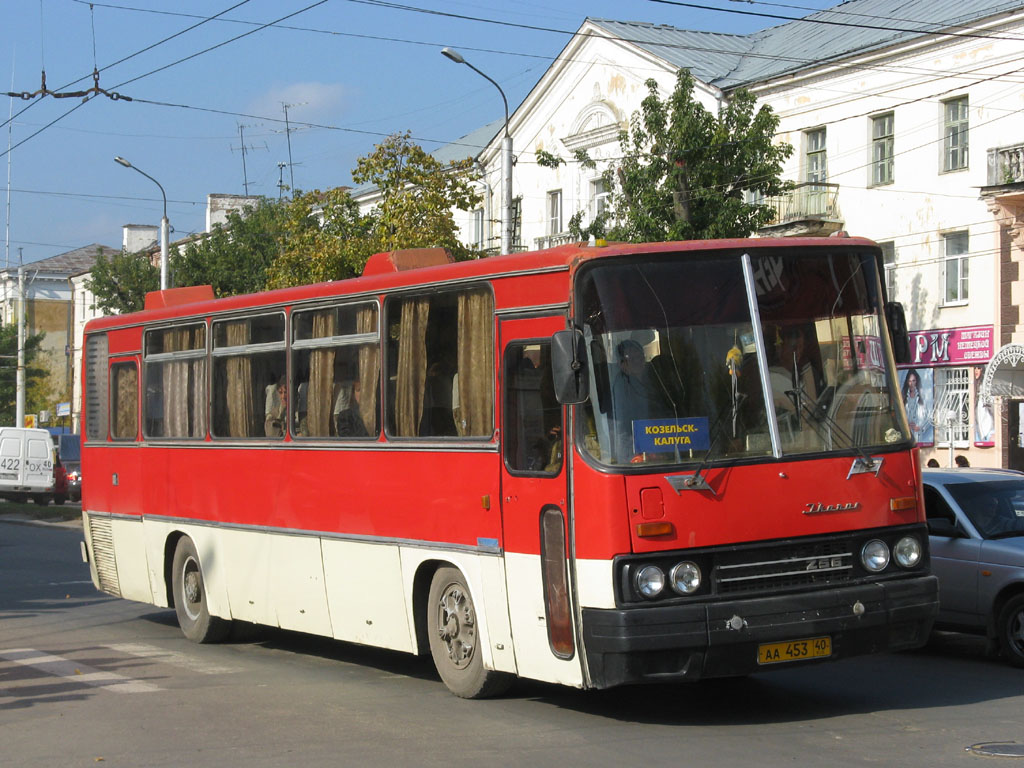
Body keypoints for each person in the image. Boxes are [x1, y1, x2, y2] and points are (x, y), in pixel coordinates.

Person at [610, 339, 662, 461]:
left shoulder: (652, 379)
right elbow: (622, 429)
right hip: (634, 450)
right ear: (622, 364)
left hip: (657, 442)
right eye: (631, 359)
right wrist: (632, 456)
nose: (638, 362)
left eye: (640, 357)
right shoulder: (621, 385)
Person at [901, 368, 926, 443]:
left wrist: (920, 427)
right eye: (909, 381)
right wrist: (906, 427)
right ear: (907, 382)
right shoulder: (904, 397)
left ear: (916, 381)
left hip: (918, 435)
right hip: (906, 435)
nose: (911, 384)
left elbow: (928, 416)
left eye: (913, 381)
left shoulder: (922, 397)